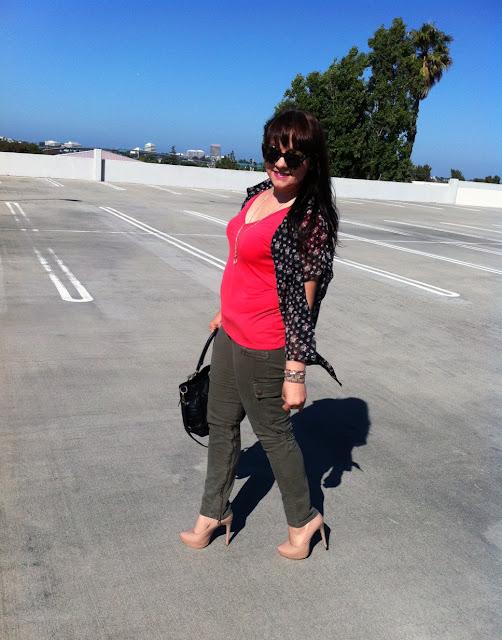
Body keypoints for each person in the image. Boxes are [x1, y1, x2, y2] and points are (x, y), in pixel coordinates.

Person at [180, 109, 340, 560]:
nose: (281, 163)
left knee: (273, 436)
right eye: (273, 152)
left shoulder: (308, 220)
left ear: (312, 161)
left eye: (294, 156)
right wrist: (225, 308)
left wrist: (296, 371)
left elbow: (304, 305)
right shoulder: (256, 195)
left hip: (266, 345)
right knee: (220, 424)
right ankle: (213, 513)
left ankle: (304, 520)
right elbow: (244, 260)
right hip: (231, 332)